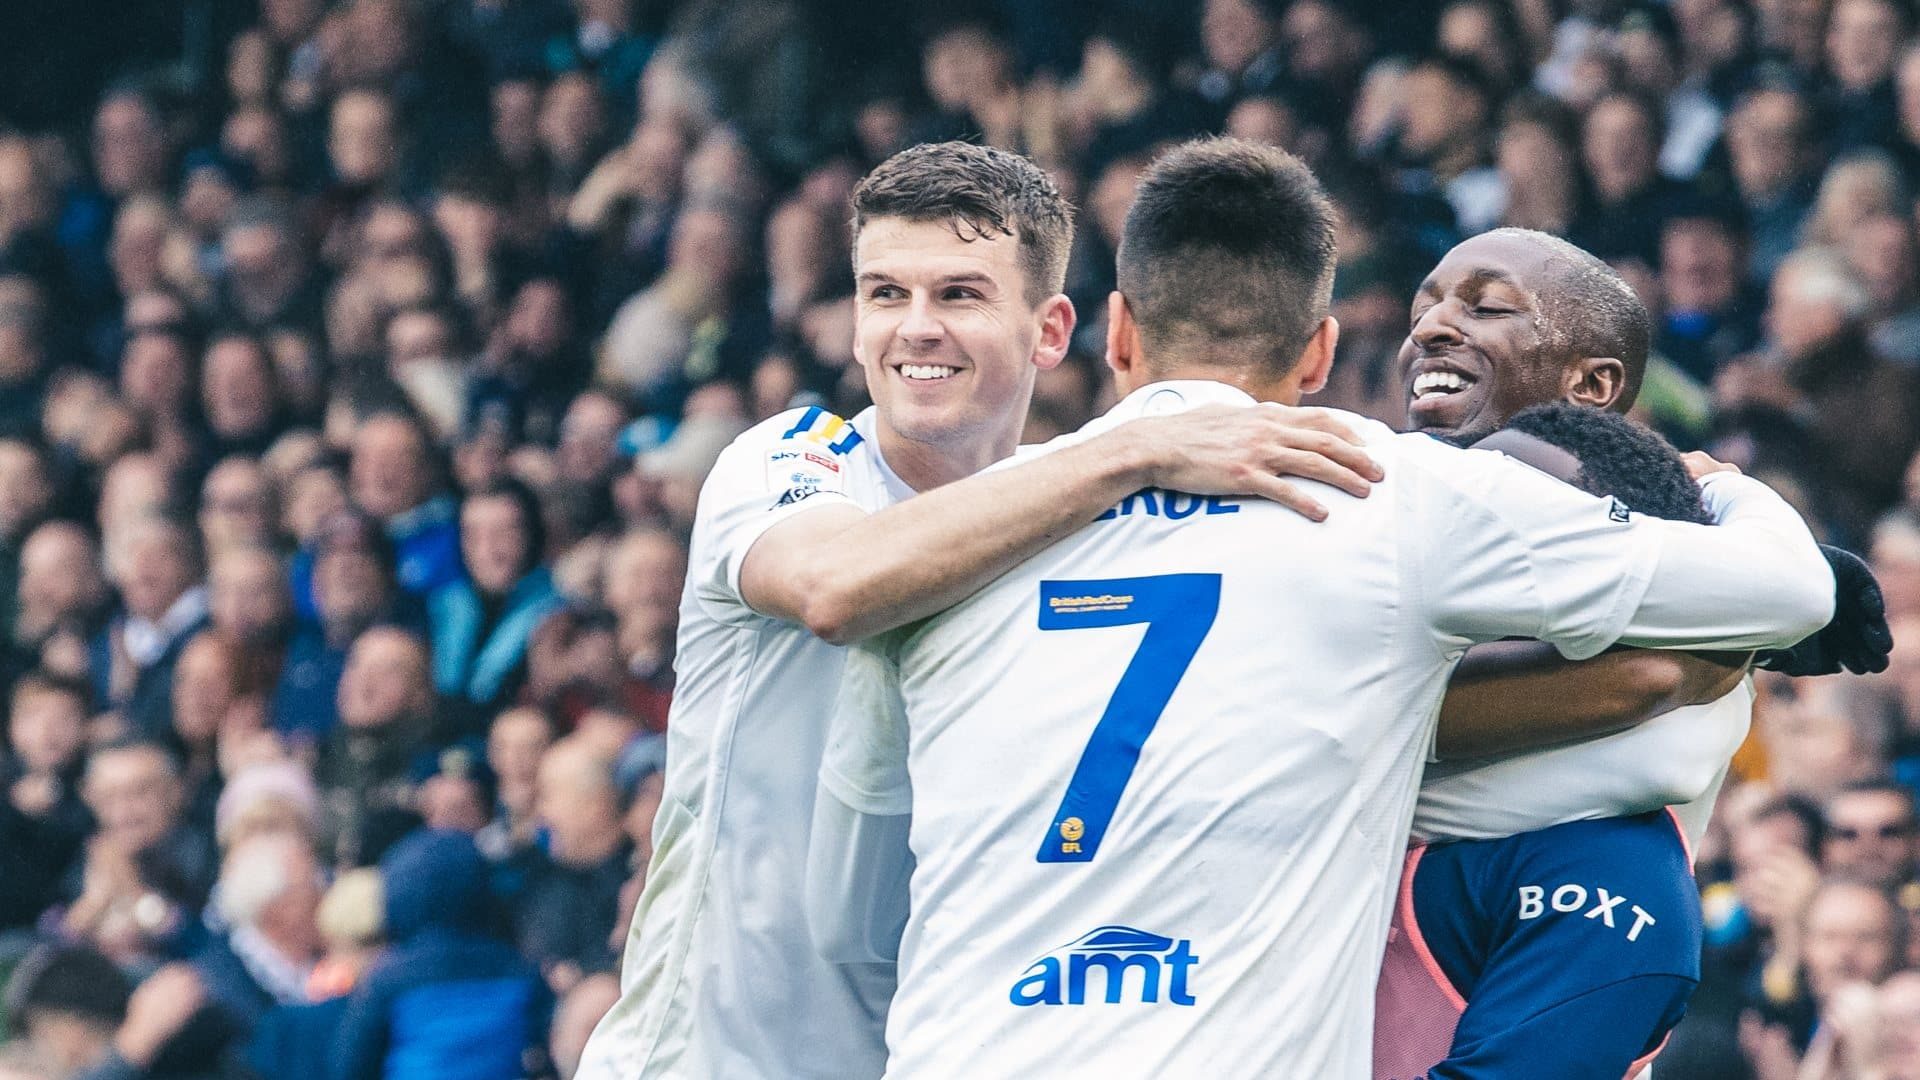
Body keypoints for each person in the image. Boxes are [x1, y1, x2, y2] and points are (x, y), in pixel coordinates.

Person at [807, 138, 1832, 1077]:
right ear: (1319, 355)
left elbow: (845, 914)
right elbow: (1789, 593)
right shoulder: (1391, 497)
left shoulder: (941, 536)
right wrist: (1716, 494)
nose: (1439, 324)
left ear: (1114, 334)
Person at [578, 141, 1385, 1079]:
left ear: (1050, 332)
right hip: (714, 1060)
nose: (915, 327)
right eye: (885, 294)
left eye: (958, 295)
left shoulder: (1075, 522)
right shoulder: (791, 458)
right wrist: (1133, 451)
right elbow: (834, 590)